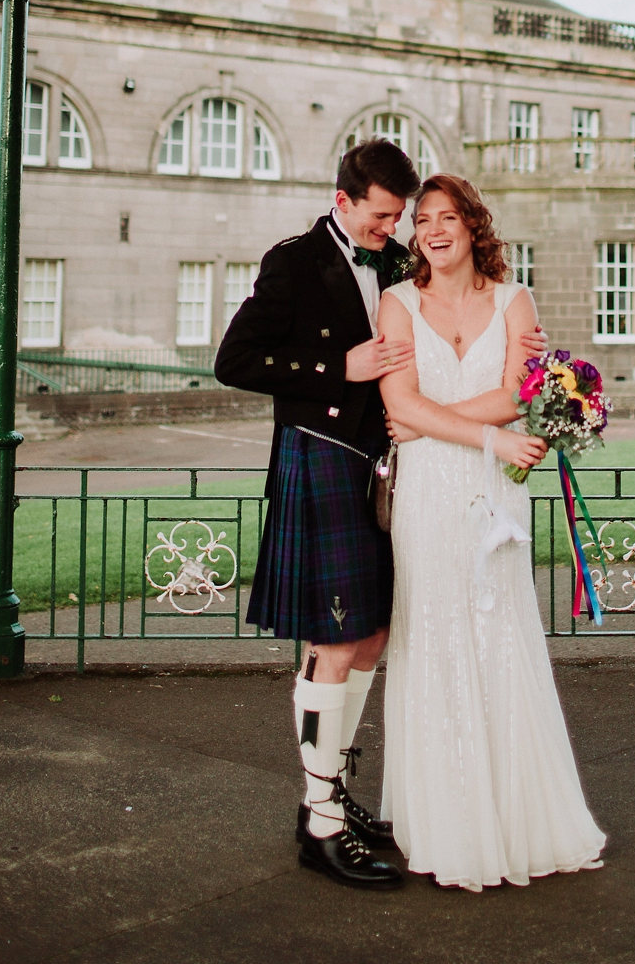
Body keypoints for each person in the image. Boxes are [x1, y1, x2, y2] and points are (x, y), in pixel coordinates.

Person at [377, 174, 606, 892]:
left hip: (489, 495)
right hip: (425, 497)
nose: (434, 229)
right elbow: (396, 398)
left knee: (498, 637)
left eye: (449, 217)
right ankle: (446, 824)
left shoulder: (515, 301)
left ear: (474, 227)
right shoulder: (396, 303)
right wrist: (490, 437)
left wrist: (438, 427)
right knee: (434, 637)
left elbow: (518, 392)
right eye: (423, 220)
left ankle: (516, 823)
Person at [215, 139, 420, 889]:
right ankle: (320, 818)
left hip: (383, 467)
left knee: (369, 635)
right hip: (321, 455)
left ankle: (334, 788)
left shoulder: (396, 264)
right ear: (343, 201)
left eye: (397, 217)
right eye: (379, 215)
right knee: (332, 641)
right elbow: (233, 361)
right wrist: (337, 366)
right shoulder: (294, 261)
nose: (389, 229)